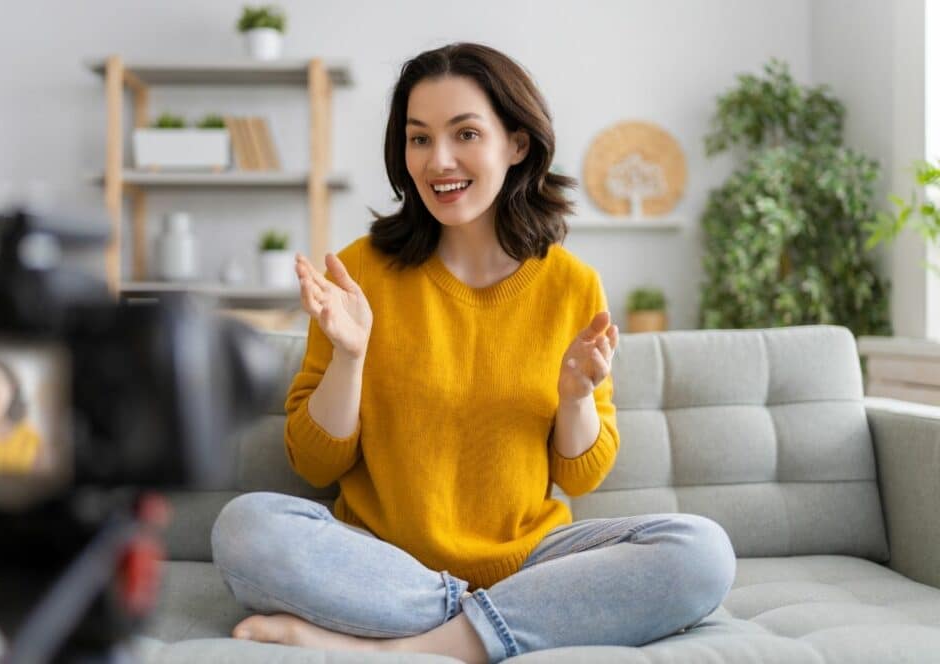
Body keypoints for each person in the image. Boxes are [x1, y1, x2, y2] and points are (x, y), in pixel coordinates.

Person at [211, 42, 736, 664]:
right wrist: (350, 357)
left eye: (465, 133)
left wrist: (574, 398)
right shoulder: (356, 272)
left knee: (702, 551)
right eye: (419, 138)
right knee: (244, 528)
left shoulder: (572, 284)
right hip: (382, 559)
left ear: (516, 144)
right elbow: (316, 464)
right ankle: (485, 631)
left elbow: (581, 475)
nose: (439, 161)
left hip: (528, 564)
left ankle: (403, 645)